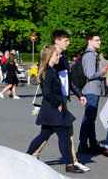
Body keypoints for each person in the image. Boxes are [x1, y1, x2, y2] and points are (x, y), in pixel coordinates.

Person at [26, 44, 89, 172]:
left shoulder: (52, 70)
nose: (59, 56)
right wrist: (57, 104)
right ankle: (69, 165)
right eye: (56, 55)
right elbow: (47, 93)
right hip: (53, 109)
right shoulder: (47, 72)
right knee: (63, 136)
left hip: (52, 108)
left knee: (44, 135)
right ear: (49, 57)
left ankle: (26, 157)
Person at [76, 32, 108, 154]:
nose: (99, 42)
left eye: (99, 40)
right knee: (89, 118)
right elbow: (90, 75)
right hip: (91, 89)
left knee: (90, 118)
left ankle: (92, 143)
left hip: (90, 89)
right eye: (97, 40)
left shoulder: (89, 54)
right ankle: (83, 144)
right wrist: (102, 71)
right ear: (89, 41)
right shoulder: (90, 55)